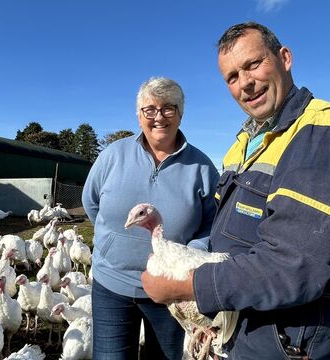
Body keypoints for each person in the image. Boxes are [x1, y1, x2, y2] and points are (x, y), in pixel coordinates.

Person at [141, 22, 330, 359]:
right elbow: (228, 235)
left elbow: (294, 264)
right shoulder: (244, 144)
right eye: (232, 77)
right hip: (247, 328)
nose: (245, 83)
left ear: (285, 57)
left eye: (253, 64)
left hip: (291, 339)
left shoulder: (320, 131)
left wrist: (184, 286)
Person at [82, 76, 219, 359]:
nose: (159, 117)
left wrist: (184, 259)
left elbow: (211, 224)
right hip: (112, 285)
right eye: (150, 109)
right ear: (139, 114)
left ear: (180, 114)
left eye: (169, 108)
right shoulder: (112, 155)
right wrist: (112, 244)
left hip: (171, 292)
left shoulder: (202, 167)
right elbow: (90, 202)